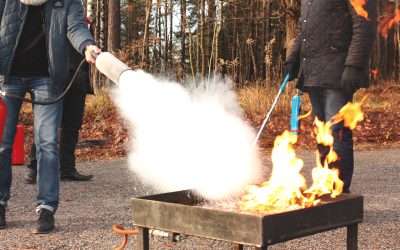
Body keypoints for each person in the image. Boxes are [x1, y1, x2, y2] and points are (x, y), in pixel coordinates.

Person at [0, 0, 100, 233]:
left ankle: (45, 208)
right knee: (3, 144)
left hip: (48, 77)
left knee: (47, 143)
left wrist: (87, 46)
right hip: (7, 76)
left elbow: (75, 27)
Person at [284, 0, 377, 193]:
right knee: (322, 134)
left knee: (337, 134)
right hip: (314, 75)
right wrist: (293, 58)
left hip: (339, 73)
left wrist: (354, 65)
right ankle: (327, 185)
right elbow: (304, 32)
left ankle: (341, 194)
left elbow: (364, 24)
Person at [25, 20, 95, 184]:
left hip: (78, 80)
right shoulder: (52, 16)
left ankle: (66, 168)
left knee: (72, 126)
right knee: (45, 125)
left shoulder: (85, 23)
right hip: (53, 80)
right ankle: (34, 168)